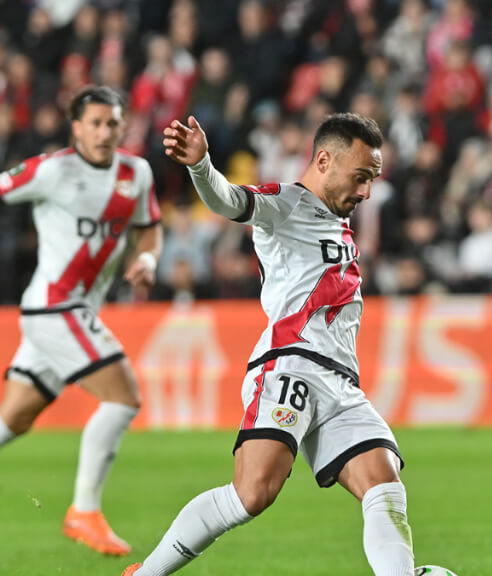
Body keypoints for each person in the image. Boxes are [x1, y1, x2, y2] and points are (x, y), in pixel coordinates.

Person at [122, 112, 414, 575]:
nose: (366, 192)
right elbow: (231, 201)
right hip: (291, 365)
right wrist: (202, 167)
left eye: (372, 180)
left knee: (384, 485)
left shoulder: (336, 220)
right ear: (323, 160)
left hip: (341, 382)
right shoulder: (289, 202)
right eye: (361, 177)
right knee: (252, 493)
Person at [0, 85, 163, 556]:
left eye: (112, 123)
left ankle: (84, 511)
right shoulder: (54, 171)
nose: (104, 132)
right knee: (124, 397)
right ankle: (84, 511)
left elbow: (150, 231)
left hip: (69, 314)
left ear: (123, 125)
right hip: (54, 308)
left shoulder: (136, 173)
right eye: (94, 123)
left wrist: (149, 262)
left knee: (16, 417)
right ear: (75, 127)